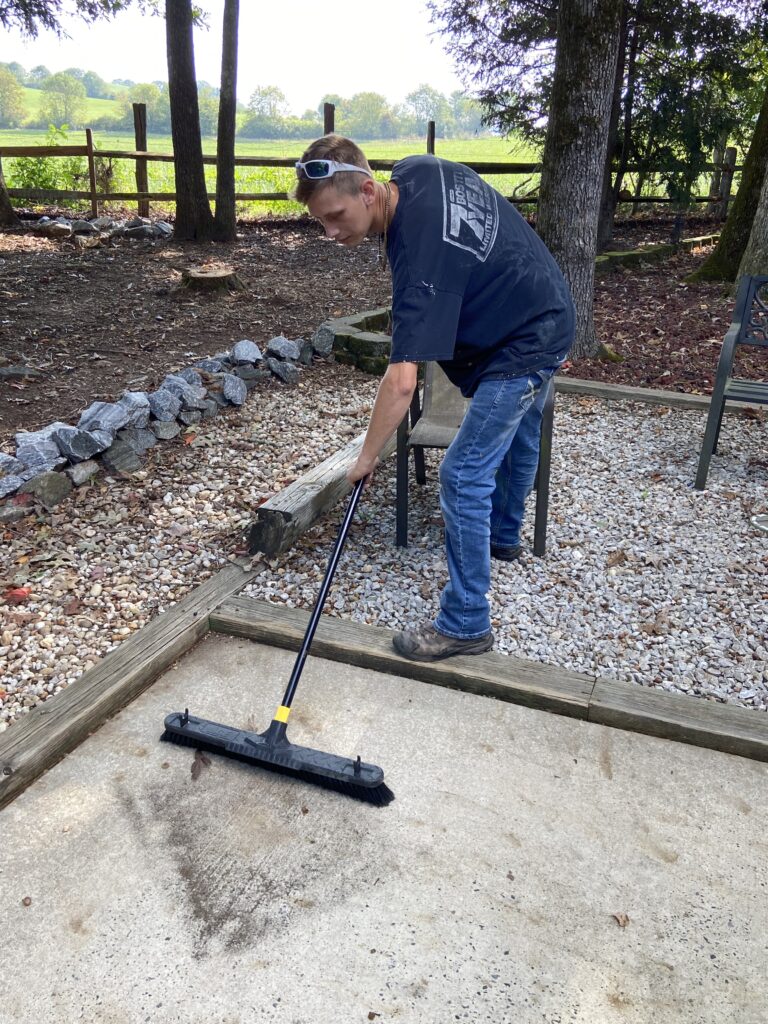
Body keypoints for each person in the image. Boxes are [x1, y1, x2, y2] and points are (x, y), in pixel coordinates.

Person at [294, 135, 574, 663]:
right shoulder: (416, 169)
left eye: (335, 215)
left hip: (524, 342)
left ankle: (466, 621)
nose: (330, 232)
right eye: (320, 222)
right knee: (522, 433)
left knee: (463, 473)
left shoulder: (417, 262)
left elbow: (402, 384)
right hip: (545, 301)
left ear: (369, 191)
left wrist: (366, 458)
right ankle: (503, 537)